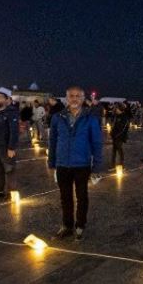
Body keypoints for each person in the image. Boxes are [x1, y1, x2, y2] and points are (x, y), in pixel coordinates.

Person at [49, 86, 104, 241]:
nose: (74, 99)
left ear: (83, 98)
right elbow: (52, 141)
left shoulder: (91, 118)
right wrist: (51, 162)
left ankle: (80, 225)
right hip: (62, 164)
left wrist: (97, 167)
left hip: (82, 164)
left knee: (82, 196)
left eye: (78, 96)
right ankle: (67, 225)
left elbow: (97, 143)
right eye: (71, 96)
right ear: (67, 98)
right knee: (65, 197)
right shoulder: (57, 117)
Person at [109, 103, 129, 168]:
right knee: (113, 151)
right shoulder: (116, 116)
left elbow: (123, 129)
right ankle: (112, 165)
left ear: (120, 109)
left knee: (120, 151)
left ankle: (122, 165)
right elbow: (114, 125)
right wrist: (112, 133)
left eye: (116, 108)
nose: (115, 109)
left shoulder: (124, 117)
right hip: (114, 136)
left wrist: (117, 135)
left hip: (120, 137)